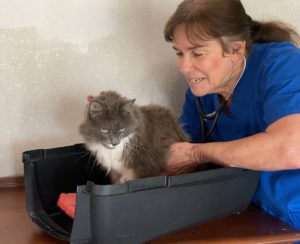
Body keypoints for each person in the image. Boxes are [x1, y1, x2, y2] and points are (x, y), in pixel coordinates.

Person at [163, 0, 300, 230]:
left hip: (291, 219)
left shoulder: (282, 64)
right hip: (249, 218)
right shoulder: (201, 95)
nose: (184, 67)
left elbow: (292, 148)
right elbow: (178, 162)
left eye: (197, 53)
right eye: (179, 53)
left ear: (235, 50)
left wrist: (198, 154)